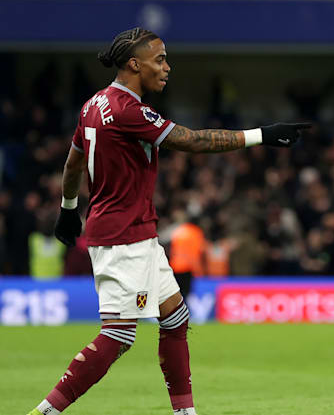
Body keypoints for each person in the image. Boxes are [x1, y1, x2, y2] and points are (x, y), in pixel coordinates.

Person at [28, 27, 308, 415]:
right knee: (118, 335)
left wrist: (67, 207)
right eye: (159, 60)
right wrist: (262, 134)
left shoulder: (93, 104)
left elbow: (74, 159)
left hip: (135, 234)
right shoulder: (129, 111)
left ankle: (184, 412)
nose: (167, 67)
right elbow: (192, 141)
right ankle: (44, 412)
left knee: (175, 317)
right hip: (123, 238)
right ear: (133, 63)